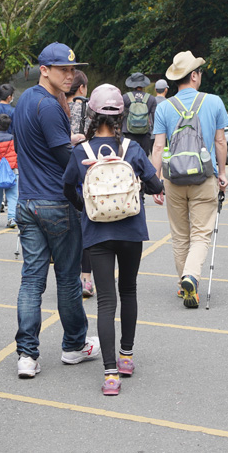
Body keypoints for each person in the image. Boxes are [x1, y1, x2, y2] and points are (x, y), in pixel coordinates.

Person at [63, 84, 163, 396]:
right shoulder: (131, 148)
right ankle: (126, 358)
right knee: (129, 290)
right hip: (131, 230)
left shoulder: (82, 151)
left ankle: (109, 376)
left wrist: (83, 206)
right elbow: (154, 182)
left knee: (106, 300)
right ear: (121, 114)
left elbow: (68, 187)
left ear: (91, 114)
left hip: (96, 232)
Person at [12, 42, 99, 379]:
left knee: (32, 280)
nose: (70, 74)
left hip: (27, 202)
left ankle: (27, 355)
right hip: (57, 204)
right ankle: (74, 346)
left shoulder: (25, 102)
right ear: (43, 70)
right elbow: (64, 160)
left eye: (72, 69)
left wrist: (70, 141)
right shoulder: (49, 106)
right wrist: (91, 161)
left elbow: (45, 148)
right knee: (66, 280)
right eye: (62, 69)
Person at [150, 51, 228, 309]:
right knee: (201, 235)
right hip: (204, 177)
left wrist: (155, 181)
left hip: (173, 180)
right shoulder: (214, 102)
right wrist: (223, 173)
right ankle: (191, 277)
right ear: (194, 76)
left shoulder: (164, 107)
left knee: (180, 236)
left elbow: (159, 147)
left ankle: (183, 286)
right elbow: (219, 141)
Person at [67, 69, 94, 297]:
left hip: (63, 171)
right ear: (83, 88)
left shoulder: (58, 107)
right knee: (86, 223)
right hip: (86, 169)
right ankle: (86, 279)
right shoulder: (88, 109)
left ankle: (69, 277)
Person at [122, 72, 155, 155]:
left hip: (129, 133)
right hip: (145, 134)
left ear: (132, 85)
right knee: (144, 159)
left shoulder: (125, 97)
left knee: (130, 157)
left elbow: (120, 115)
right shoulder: (151, 99)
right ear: (144, 85)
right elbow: (154, 118)